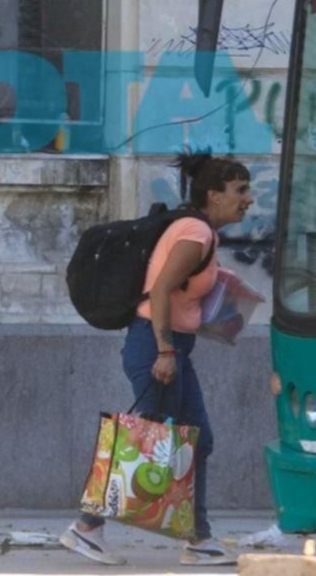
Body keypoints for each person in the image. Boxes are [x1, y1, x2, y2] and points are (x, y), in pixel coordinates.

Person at [61, 152, 252, 567]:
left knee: (196, 438)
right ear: (214, 195)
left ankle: (198, 538)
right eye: (240, 190)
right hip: (156, 346)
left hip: (171, 346)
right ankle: (86, 527)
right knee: (142, 437)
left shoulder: (200, 232)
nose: (248, 199)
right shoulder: (195, 232)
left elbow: (176, 293)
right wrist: (165, 351)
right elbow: (162, 290)